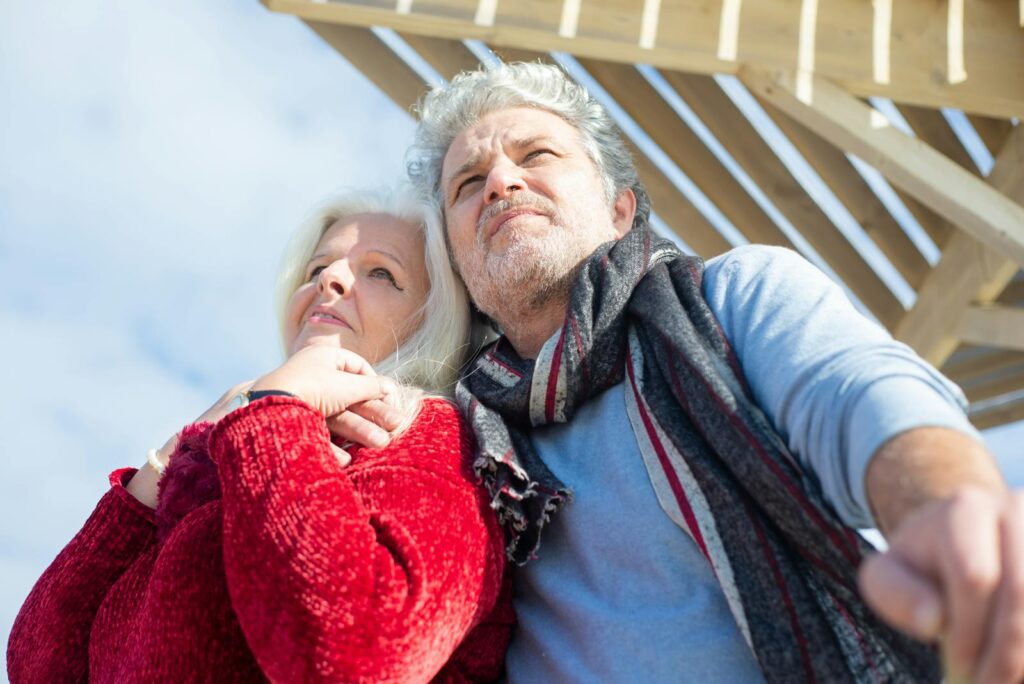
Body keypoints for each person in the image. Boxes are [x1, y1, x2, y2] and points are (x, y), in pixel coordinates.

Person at [405, 61, 1023, 683]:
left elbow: (856, 390)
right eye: (468, 183)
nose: (501, 182)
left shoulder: (731, 296)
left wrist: (944, 505)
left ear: (620, 211)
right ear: (459, 267)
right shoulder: (452, 437)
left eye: (536, 153)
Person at [7, 187, 513, 683]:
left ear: (435, 318)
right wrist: (178, 452)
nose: (330, 279)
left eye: (380, 272)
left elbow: (357, 659)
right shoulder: (235, 454)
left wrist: (273, 409)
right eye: (317, 269)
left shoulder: (429, 437)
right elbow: (39, 665)